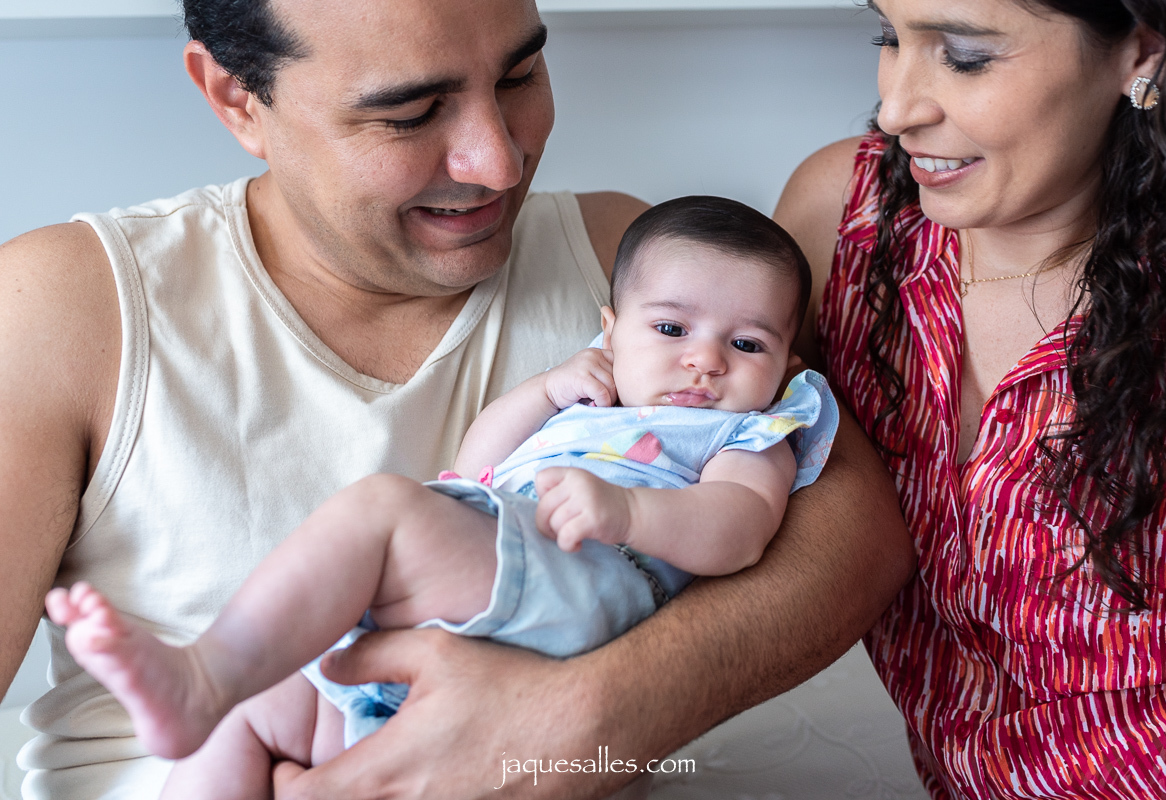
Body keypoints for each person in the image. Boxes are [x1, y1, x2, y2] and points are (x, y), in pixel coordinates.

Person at [0, 0, 914, 797]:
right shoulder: (64, 310)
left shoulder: (638, 259)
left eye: (520, 75)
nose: (498, 162)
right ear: (239, 96)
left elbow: (857, 534)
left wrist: (587, 718)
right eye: (411, 111)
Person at [47, 196, 840, 800]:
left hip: (589, 582)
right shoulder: (587, 399)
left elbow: (739, 529)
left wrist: (632, 513)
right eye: (671, 330)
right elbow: (477, 470)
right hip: (486, 592)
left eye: (746, 344)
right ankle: (213, 700)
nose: (705, 362)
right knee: (260, 712)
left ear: (785, 360)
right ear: (612, 329)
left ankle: (204, 672)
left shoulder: (751, 433)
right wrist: (542, 393)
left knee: (381, 510)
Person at [774, 0, 1166, 797]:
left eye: (964, 56)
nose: (897, 107)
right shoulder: (848, 219)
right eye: (887, 38)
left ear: (1141, 53)